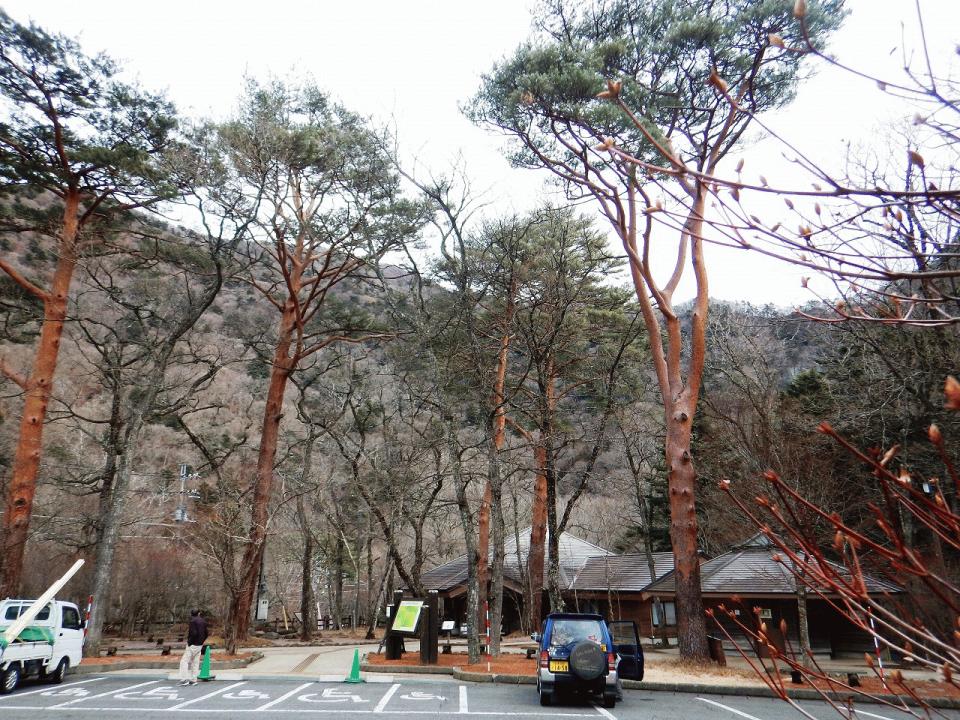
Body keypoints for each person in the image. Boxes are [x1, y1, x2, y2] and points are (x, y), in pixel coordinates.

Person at [178, 609, 208, 685]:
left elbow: (194, 633)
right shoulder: (203, 621)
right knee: (195, 662)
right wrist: (202, 641)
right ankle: (193, 679)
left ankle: (184, 679)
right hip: (199, 645)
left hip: (192, 644)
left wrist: (189, 642)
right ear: (199, 613)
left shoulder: (192, 621)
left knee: (184, 661)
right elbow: (206, 633)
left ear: (191, 614)